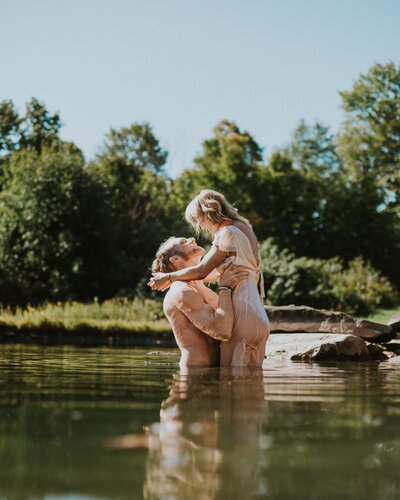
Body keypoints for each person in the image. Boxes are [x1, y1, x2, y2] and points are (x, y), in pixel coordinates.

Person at [149, 189, 270, 367]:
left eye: (198, 220)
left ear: (207, 213)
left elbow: (202, 270)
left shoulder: (227, 232)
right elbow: (203, 274)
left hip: (242, 319)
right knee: (253, 390)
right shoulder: (245, 230)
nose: (199, 228)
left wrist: (168, 277)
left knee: (234, 390)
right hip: (259, 316)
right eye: (183, 242)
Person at [150, 236, 249, 368]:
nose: (192, 239)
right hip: (195, 375)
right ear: (176, 259)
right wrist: (225, 287)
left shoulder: (198, 284)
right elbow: (222, 331)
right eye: (183, 242)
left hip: (218, 371)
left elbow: (208, 271)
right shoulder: (182, 291)